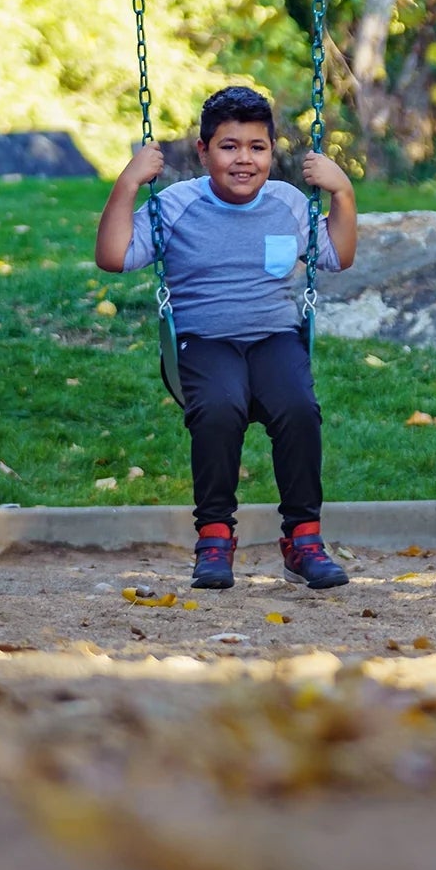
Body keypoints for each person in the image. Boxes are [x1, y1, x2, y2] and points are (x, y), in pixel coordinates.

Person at [94, 85, 358, 590]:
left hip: (274, 336)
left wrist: (342, 193)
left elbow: (336, 256)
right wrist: (127, 183)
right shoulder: (176, 205)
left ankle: (303, 540)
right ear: (204, 151)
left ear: (271, 151)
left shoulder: (287, 203)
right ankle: (214, 537)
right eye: (229, 146)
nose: (244, 160)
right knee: (218, 409)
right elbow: (113, 256)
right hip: (204, 340)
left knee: (299, 409)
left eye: (257, 147)